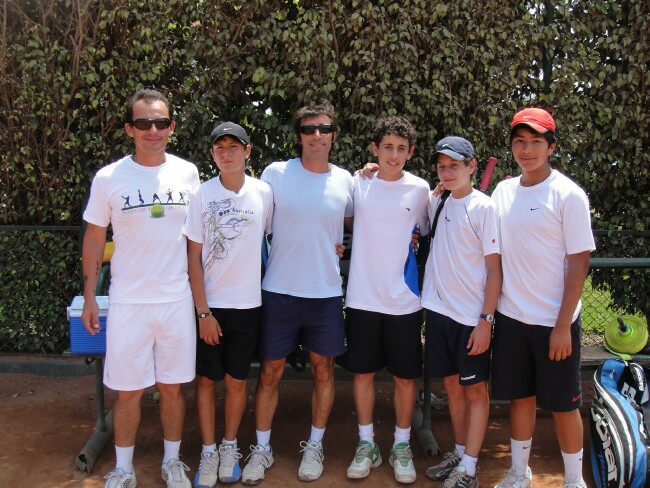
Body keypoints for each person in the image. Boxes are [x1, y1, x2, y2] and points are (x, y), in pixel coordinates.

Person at [81, 88, 200, 488]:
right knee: (128, 391)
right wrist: (91, 298)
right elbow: (95, 239)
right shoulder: (108, 178)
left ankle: (171, 462)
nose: (153, 130)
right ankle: (124, 469)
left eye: (161, 122)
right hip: (128, 302)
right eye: (144, 123)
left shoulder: (188, 173)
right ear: (130, 128)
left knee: (172, 388)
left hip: (176, 301)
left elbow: (198, 239)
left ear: (171, 127)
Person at [241, 104, 353, 484]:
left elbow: (365, 218)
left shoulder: (347, 181)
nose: (316, 135)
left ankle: (315, 445)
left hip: (324, 293)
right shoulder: (275, 174)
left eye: (324, 129)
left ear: (333, 135)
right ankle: (261, 448)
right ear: (299, 136)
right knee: (270, 371)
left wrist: (340, 244)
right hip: (278, 291)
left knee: (324, 369)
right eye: (309, 130)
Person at [490, 108, 595, 488]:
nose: (527, 149)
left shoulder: (569, 195)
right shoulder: (503, 191)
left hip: (556, 323)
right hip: (512, 320)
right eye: (519, 141)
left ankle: (572, 481)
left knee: (564, 406)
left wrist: (563, 325)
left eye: (536, 141)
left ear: (551, 146)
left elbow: (579, 264)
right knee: (520, 399)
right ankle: (519, 474)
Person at [337, 116, 430, 484]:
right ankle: (366, 445)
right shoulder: (358, 182)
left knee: (405, 377)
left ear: (410, 152)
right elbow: (337, 220)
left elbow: (428, 230)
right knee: (363, 373)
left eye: (401, 148)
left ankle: (401, 446)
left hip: (405, 302)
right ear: (375, 149)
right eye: (387, 147)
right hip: (362, 298)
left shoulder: (423, 190)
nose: (394, 154)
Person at [183, 122, 273, 488]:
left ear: (248, 151)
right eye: (219, 146)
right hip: (210, 308)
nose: (227, 152)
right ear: (212, 154)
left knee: (237, 382)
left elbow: (278, 236)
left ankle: (229, 447)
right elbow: (193, 259)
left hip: (250, 305)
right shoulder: (201, 195)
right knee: (206, 382)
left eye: (234, 146)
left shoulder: (264, 192)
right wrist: (203, 312)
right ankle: (207, 451)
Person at [421, 137, 502, 488]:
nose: (447, 171)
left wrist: (486, 321)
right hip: (438, 313)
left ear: (472, 166)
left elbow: (496, 270)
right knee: (452, 387)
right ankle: (459, 452)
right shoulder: (437, 202)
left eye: (454, 165)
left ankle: (469, 468)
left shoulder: (485, 209)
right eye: (442, 166)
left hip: (472, 319)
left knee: (475, 392)